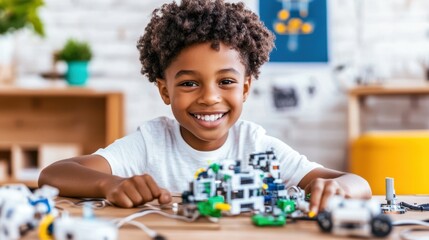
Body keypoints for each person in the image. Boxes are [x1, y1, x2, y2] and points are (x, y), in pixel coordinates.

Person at [38, 0, 371, 214]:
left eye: (225, 82)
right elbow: (52, 174)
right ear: (164, 91)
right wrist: (109, 184)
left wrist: (337, 188)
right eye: (188, 83)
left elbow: (358, 183)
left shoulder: (255, 144)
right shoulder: (150, 142)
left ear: (245, 88)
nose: (209, 97)